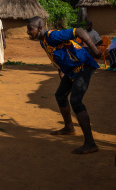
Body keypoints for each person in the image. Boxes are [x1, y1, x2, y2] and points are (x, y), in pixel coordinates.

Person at [27, 16, 101, 154]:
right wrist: (60, 69)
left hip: (83, 65)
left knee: (76, 101)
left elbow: (78, 31)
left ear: (40, 28)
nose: (28, 32)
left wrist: (95, 51)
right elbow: (59, 53)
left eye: (30, 29)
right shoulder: (43, 41)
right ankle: (69, 128)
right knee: (60, 95)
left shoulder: (52, 35)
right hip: (72, 69)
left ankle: (91, 143)